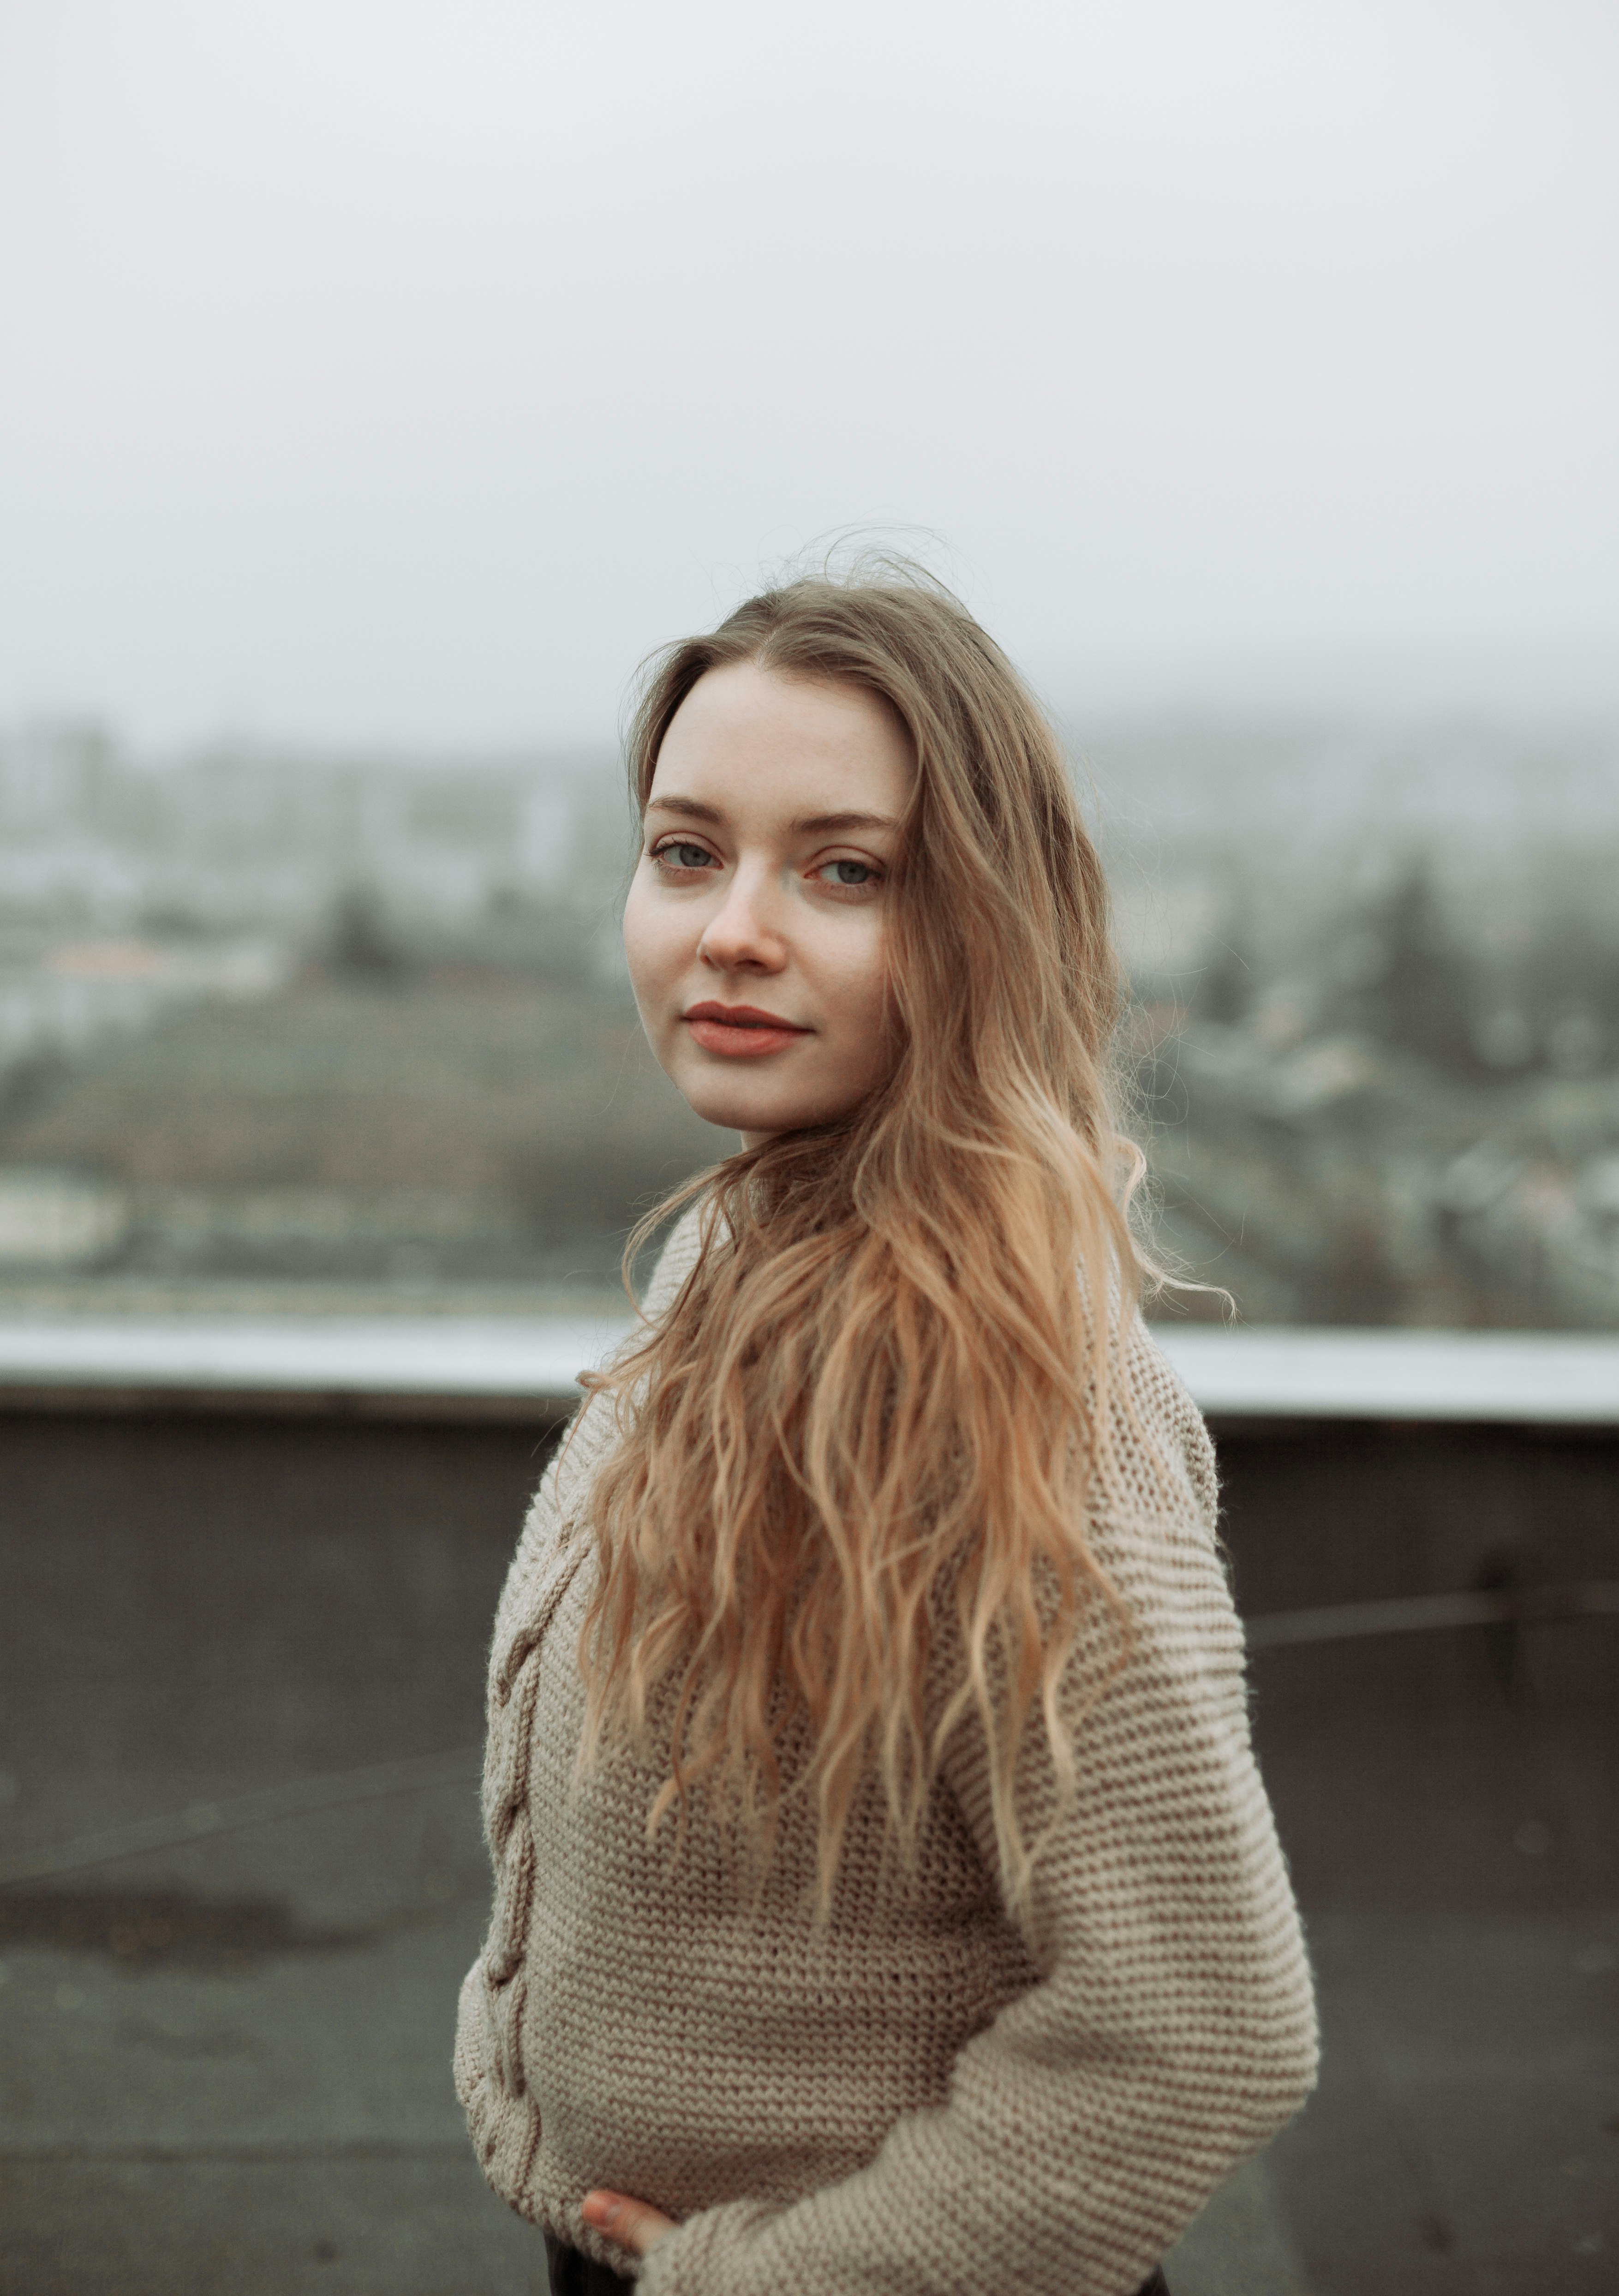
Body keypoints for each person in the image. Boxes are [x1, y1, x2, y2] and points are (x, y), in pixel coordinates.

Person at [454, 569, 1319, 2295]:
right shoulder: (738, 1247)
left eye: (844, 871)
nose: (733, 930)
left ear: (986, 923)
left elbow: (1206, 2027)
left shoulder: (1023, 1402)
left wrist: (770, 2279)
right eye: (687, 851)